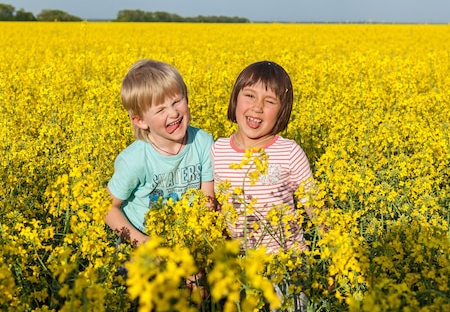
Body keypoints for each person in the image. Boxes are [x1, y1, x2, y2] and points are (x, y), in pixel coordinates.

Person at [105, 59, 215, 247]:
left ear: (187, 97)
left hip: (189, 237)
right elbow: (107, 207)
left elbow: (207, 201)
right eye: (161, 109)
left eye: (176, 101)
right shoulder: (134, 160)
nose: (173, 114)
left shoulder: (203, 143)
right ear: (140, 121)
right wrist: (142, 242)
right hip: (140, 241)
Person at [210, 60, 315, 254]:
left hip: (286, 262)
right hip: (239, 266)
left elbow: (316, 209)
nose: (257, 107)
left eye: (270, 101)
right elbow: (215, 208)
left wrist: (339, 253)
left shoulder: (289, 153)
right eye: (249, 96)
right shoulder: (218, 150)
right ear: (234, 100)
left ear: (282, 111)